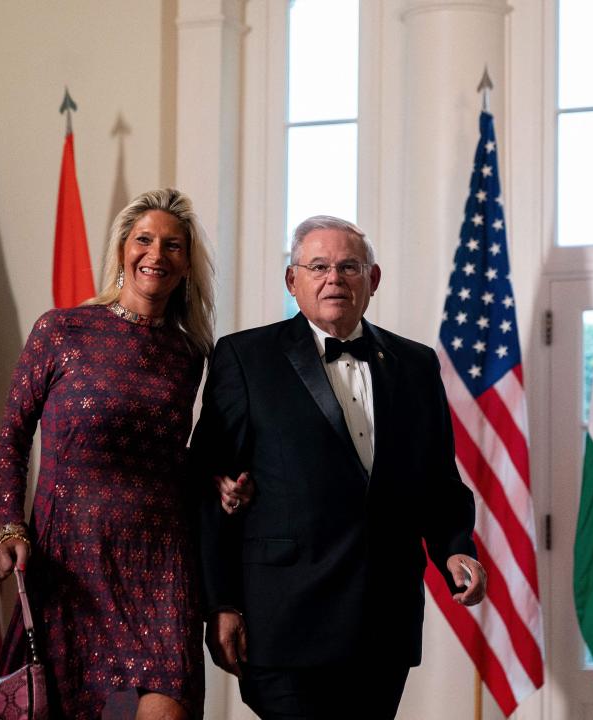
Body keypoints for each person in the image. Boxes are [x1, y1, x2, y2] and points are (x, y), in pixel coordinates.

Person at [192, 214, 487, 720]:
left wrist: (457, 550)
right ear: (293, 280)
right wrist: (220, 603)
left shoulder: (416, 365)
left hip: (383, 621)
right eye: (319, 266)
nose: (335, 279)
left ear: (373, 280)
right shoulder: (245, 357)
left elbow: (438, 482)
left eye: (350, 266)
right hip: (282, 621)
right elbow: (208, 486)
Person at [0, 188, 214, 720]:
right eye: (144, 240)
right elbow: (12, 437)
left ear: (186, 266)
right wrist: (11, 528)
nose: (156, 254)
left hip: (162, 563)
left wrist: (220, 480)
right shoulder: (61, 330)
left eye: (173, 246)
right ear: (122, 251)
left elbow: (173, 456)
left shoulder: (190, 355)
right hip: (71, 561)